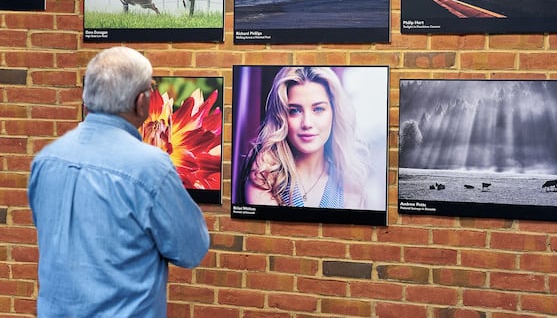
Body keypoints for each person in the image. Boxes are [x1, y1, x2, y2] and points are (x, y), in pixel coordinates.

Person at [28, 46, 210, 317]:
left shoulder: (45, 160)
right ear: (141, 103)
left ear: (86, 97)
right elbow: (191, 250)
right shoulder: (151, 169)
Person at [239, 66, 369, 209]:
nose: (307, 123)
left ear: (334, 113)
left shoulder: (349, 184)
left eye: (318, 109)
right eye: (294, 111)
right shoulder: (265, 174)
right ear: (281, 117)